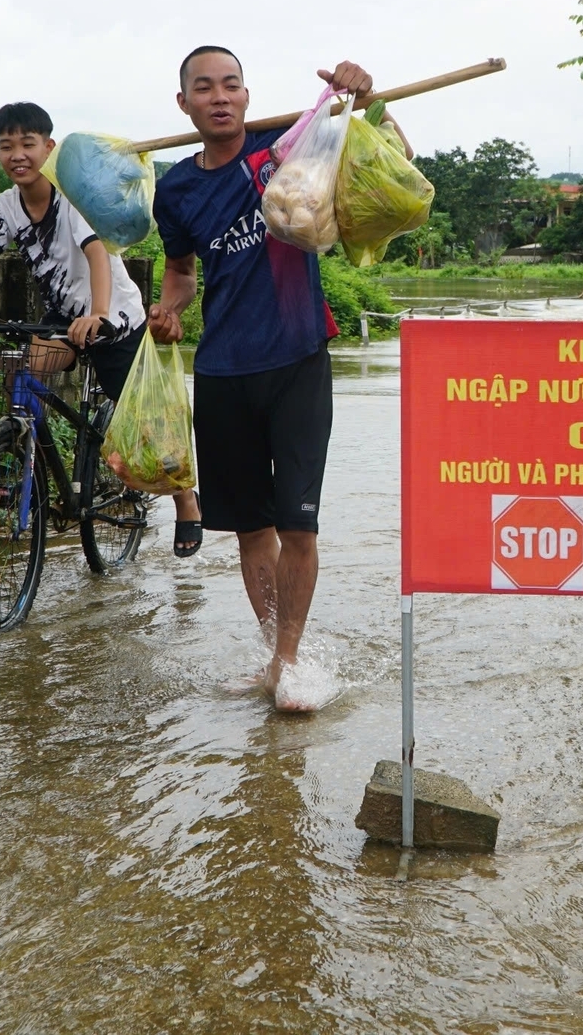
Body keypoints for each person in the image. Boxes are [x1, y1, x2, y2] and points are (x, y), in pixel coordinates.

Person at [141, 48, 396, 710]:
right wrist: (168, 310)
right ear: (184, 104)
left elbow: (381, 168)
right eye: (205, 88)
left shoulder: (286, 148)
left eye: (231, 85)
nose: (220, 97)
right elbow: (181, 273)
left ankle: (289, 660)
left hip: (299, 357)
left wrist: (364, 101)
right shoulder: (175, 189)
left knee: (299, 525)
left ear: (247, 95)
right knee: (252, 529)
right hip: (223, 371)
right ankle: (274, 657)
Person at [0, 101, 203, 556]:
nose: (18, 155)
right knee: (21, 371)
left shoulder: (70, 196)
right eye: (6, 146)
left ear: (48, 148)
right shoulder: (5, 207)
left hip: (114, 316)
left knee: (145, 420)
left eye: (27, 144)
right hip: (62, 315)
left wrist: (98, 314)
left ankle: (186, 502)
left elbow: (96, 254)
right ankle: (25, 468)